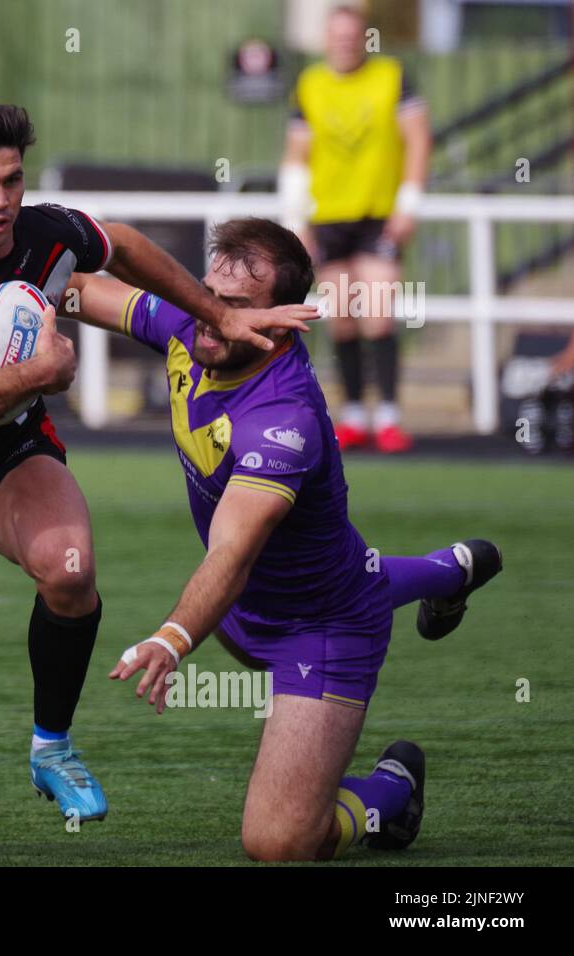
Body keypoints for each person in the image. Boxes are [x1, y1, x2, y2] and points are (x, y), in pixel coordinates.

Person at [0, 98, 316, 867]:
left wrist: (217, 314)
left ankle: (51, 746)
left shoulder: (43, 231)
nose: (0, 200)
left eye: (12, 180)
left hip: (8, 456)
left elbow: (127, 247)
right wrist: (44, 369)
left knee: (71, 571)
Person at [73, 218, 500, 861]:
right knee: (350, 569)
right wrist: (3, 277)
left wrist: (170, 637)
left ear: (287, 318)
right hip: (246, 608)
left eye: (238, 308)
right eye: (208, 295)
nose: (213, 317)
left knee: (279, 842)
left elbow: (233, 554)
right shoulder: (195, 324)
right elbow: (77, 289)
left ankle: (391, 795)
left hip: (320, 626)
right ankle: (449, 572)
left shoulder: (284, 418)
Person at [279, 4, 431, 453]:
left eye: (352, 35)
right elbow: (296, 154)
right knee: (342, 316)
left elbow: (418, 138)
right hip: (328, 216)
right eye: (337, 36)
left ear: (364, 37)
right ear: (327, 40)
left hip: (378, 212)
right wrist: (295, 220)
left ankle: (388, 413)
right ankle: (352, 414)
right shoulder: (311, 84)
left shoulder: (391, 76)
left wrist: (409, 204)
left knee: (378, 310)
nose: (345, 43)